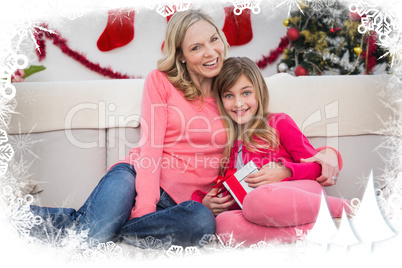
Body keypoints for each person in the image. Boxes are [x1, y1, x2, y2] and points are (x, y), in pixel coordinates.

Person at [29, 9, 342, 249]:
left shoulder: (230, 89)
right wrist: (144, 212)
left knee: (201, 223)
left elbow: (269, 132)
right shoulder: (161, 82)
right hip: (137, 178)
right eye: (196, 47)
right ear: (181, 55)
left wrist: (323, 157)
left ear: (223, 39)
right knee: (89, 234)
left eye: (213, 40)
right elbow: (150, 149)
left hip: (187, 206)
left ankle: (111, 229)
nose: (210, 52)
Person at [205, 57, 350, 245]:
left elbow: (316, 167)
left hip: (300, 194)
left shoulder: (278, 122)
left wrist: (285, 171)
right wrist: (210, 204)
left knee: (257, 200)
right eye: (229, 95)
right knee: (223, 224)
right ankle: (312, 232)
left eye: (246, 93)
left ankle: (345, 208)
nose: (238, 103)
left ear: (259, 93)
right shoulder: (228, 145)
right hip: (261, 211)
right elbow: (239, 199)